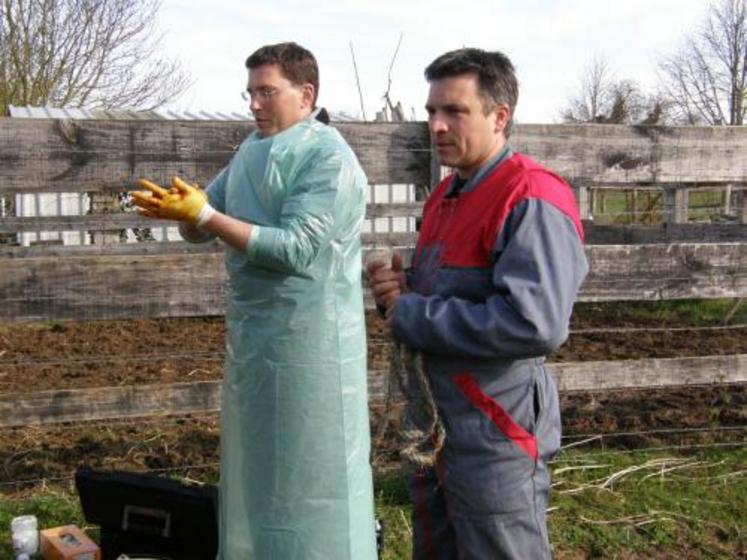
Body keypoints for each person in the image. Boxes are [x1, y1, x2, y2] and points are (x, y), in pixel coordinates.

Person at [131, 42, 377, 560]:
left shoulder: (328, 157)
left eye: (267, 92)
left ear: (306, 94)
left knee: (313, 468)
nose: (255, 105)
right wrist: (182, 212)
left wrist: (204, 218)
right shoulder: (250, 151)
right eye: (250, 93)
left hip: (314, 346)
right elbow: (207, 221)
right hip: (257, 341)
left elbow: (296, 248)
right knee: (260, 467)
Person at [368, 48, 588, 559]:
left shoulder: (530, 196)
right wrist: (399, 292)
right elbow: (447, 295)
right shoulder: (446, 196)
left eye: (455, 111)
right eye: (431, 112)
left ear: (499, 116)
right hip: (437, 422)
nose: (437, 126)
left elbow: (533, 323)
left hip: (495, 428)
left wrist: (412, 313)